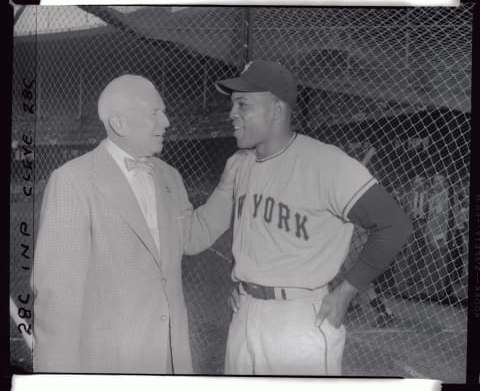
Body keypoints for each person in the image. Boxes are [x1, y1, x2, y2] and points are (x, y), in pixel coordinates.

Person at [213, 60, 412, 375]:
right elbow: (252, 233)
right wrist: (242, 280)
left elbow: (394, 225)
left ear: (277, 110)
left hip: (299, 319)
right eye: (233, 104)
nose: (232, 113)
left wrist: (347, 291)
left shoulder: (326, 163)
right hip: (244, 314)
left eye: (243, 104)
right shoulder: (242, 165)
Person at [32, 75, 234, 373]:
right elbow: (58, 299)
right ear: (119, 124)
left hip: (169, 355)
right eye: (155, 113)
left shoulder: (170, 177)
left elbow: (191, 237)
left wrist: (228, 187)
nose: (166, 122)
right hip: (110, 364)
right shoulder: (72, 181)